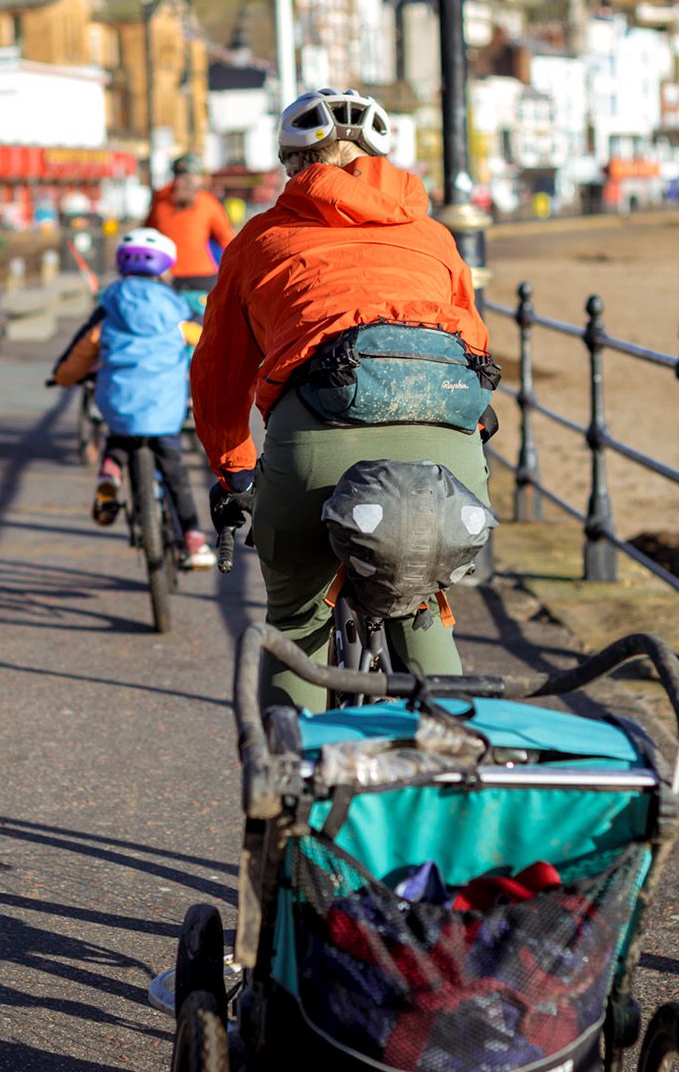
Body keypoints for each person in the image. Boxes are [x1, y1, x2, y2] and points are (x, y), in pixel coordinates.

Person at [190, 87, 494, 711]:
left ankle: (285, 794)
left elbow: (219, 374)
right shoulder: (434, 236)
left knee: (297, 621)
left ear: (293, 163)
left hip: (315, 442)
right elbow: (475, 341)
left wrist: (234, 469)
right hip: (447, 449)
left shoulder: (260, 238)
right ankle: (458, 767)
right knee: (419, 600)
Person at [51, 228, 215, 569]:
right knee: (176, 474)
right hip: (164, 406)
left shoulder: (110, 306)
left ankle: (109, 475)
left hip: (121, 400)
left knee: (119, 439)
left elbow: (82, 350)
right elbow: (207, 342)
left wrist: (62, 377)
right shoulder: (176, 311)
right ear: (166, 269)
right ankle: (194, 540)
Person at [148, 153, 235, 295]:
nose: (186, 182)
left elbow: (228, 242)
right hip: (182, 277)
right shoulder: (206, 202)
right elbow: (229, 241)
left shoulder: (160, 201)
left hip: (181, 276)